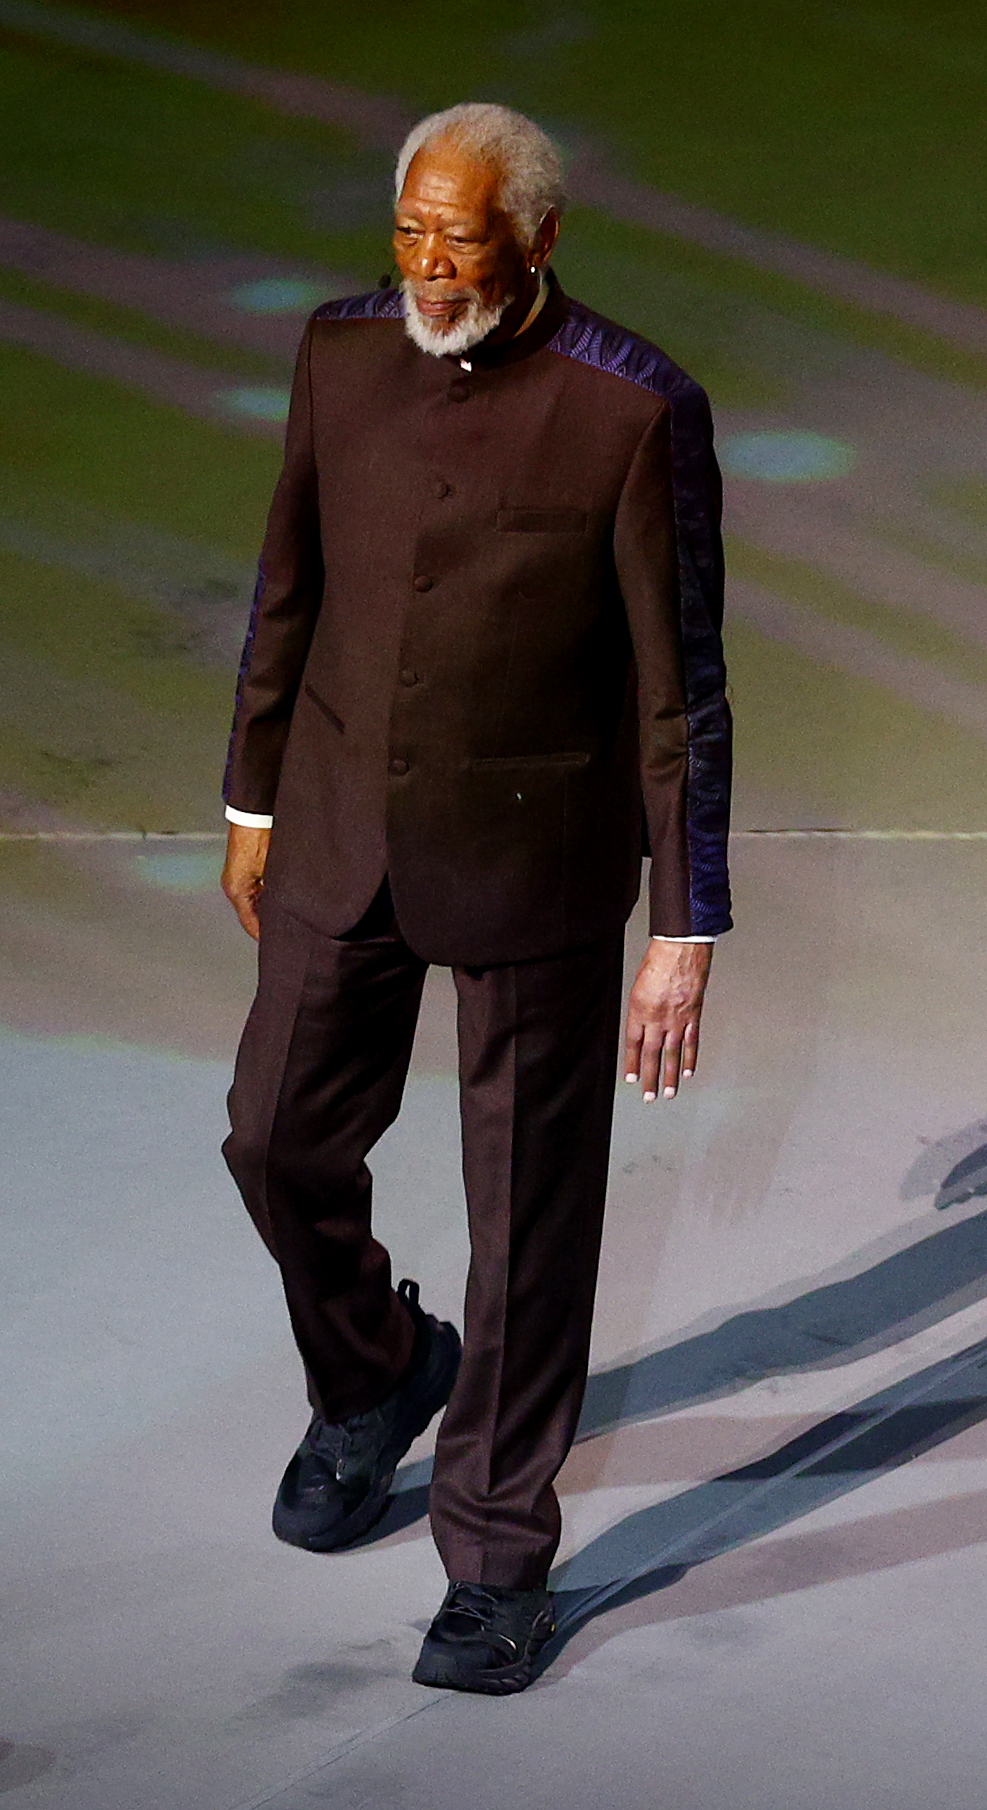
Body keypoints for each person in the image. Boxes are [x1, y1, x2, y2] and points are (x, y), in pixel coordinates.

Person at [214, 101, 732, 1695]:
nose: (430, 267)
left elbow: (677, 689)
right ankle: (376, 1369)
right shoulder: (338, 352)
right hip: (332, 830)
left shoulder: (630, 409)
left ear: (539, 241)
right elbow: (286, 580)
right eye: (411, 235)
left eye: (462, 240)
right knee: (275, 1133)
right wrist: (247, 794)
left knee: (526, 1223)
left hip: (534, 864)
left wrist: (683, 924)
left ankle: (498, 1554)